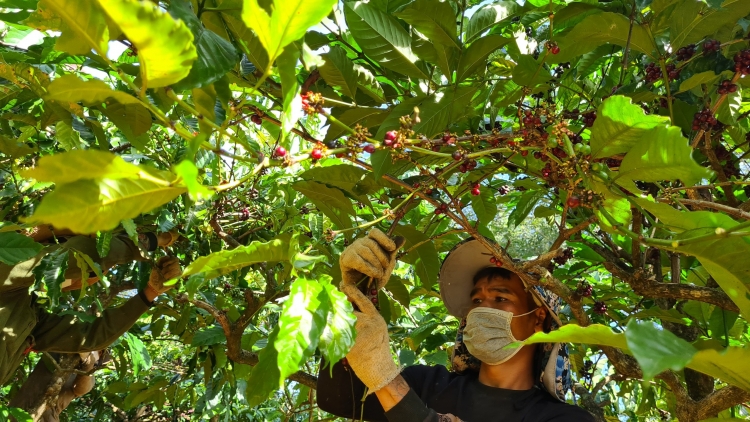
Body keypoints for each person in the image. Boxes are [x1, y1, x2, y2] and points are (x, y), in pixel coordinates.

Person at [317, 230, 595, 421]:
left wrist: (387, 381)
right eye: (476, 300)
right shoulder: (427, 384)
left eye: (500, 297)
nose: (483, 308)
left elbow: (385, 383)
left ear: (538, 318)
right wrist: (354, 295)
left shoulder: (563, 418)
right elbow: (338, 397)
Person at [0, 226, 180, 387]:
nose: (83, 282)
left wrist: (151, 292)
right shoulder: (7, 269)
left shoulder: (26, 314)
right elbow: (84, 256)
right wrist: (145, 242)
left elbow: (91, 336)